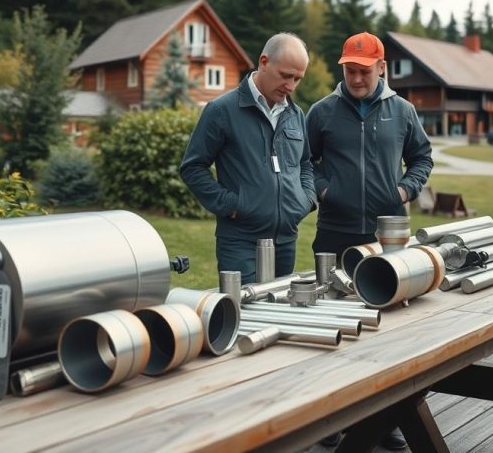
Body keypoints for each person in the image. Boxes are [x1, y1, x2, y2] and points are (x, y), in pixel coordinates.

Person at [306, 30, 433, 450]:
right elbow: (305, 163)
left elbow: (422, 157)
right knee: (332, 327)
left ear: (382, 68)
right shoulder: (322, 112)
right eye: (349, 70)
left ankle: (385, 419)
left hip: (388, 238)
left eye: (363, 70)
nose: (356, 78)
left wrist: (403, 190)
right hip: (335, 233)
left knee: (388, 329)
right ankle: (329, 420)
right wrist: (323, 191)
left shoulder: (403, 112)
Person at [180, 32, 317, 284]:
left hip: (286, 241)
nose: (291, 86)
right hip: (240, 242)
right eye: (286, 75)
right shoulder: (221, 111)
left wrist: (305, 200)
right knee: (244, 317)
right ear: (264, 62)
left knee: (282, 315)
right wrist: (233, 205)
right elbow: (193, 167)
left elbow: (305, 164)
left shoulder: (296, 115)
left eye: (298, 79)